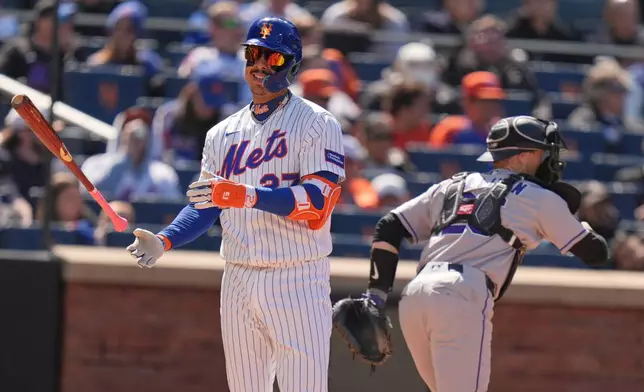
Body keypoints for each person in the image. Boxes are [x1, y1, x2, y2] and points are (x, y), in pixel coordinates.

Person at [126, 17, 345, 392]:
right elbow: (205, 204)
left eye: (272, 58)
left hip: (296, 275)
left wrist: (246, 195)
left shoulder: (317, 123)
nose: (260, 65)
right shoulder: (221, 133)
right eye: (253, 54)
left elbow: (317, 204)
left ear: (292, 64)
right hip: (238, 275)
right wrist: (165, 240)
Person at [354, 116, 609, 391]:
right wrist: (578, 222)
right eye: (543, 152)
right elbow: (596, 253)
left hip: (415, 297)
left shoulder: (453, 185)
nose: (550, 159)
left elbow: (389, 227)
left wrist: (376, 297)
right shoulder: (539, 197)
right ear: (522, 156)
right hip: (462, 293)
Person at [82, 108, 182, 201]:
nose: (135, 137)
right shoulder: (95, 165)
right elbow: (90, 198)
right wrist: (125, 158)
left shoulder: (164, 174)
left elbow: (171, 210)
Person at [0, 0, 82, 97]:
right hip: (23, 108)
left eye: (68, 21)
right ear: (41, 21)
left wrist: (69, 54)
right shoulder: (17, 51)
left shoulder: (70, 53)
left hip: (59, 110)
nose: (65, 26)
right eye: (60, 20)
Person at [86, 1, 165, 97]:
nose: (122, 35)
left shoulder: (148, 64)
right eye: (118, 28)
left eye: (129, 30)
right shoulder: (96, 64)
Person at [430, 71, 505, 148]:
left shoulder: (504, 132)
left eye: (494, 100)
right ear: (466, 101)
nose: (491, 105)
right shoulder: (451, 130)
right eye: (484, 100)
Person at [36, 172, 96, 245]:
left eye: (77, 198)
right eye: (69, 198)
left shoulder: (86, 228)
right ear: (54, 202)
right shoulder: (40, 230)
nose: (75, 203)